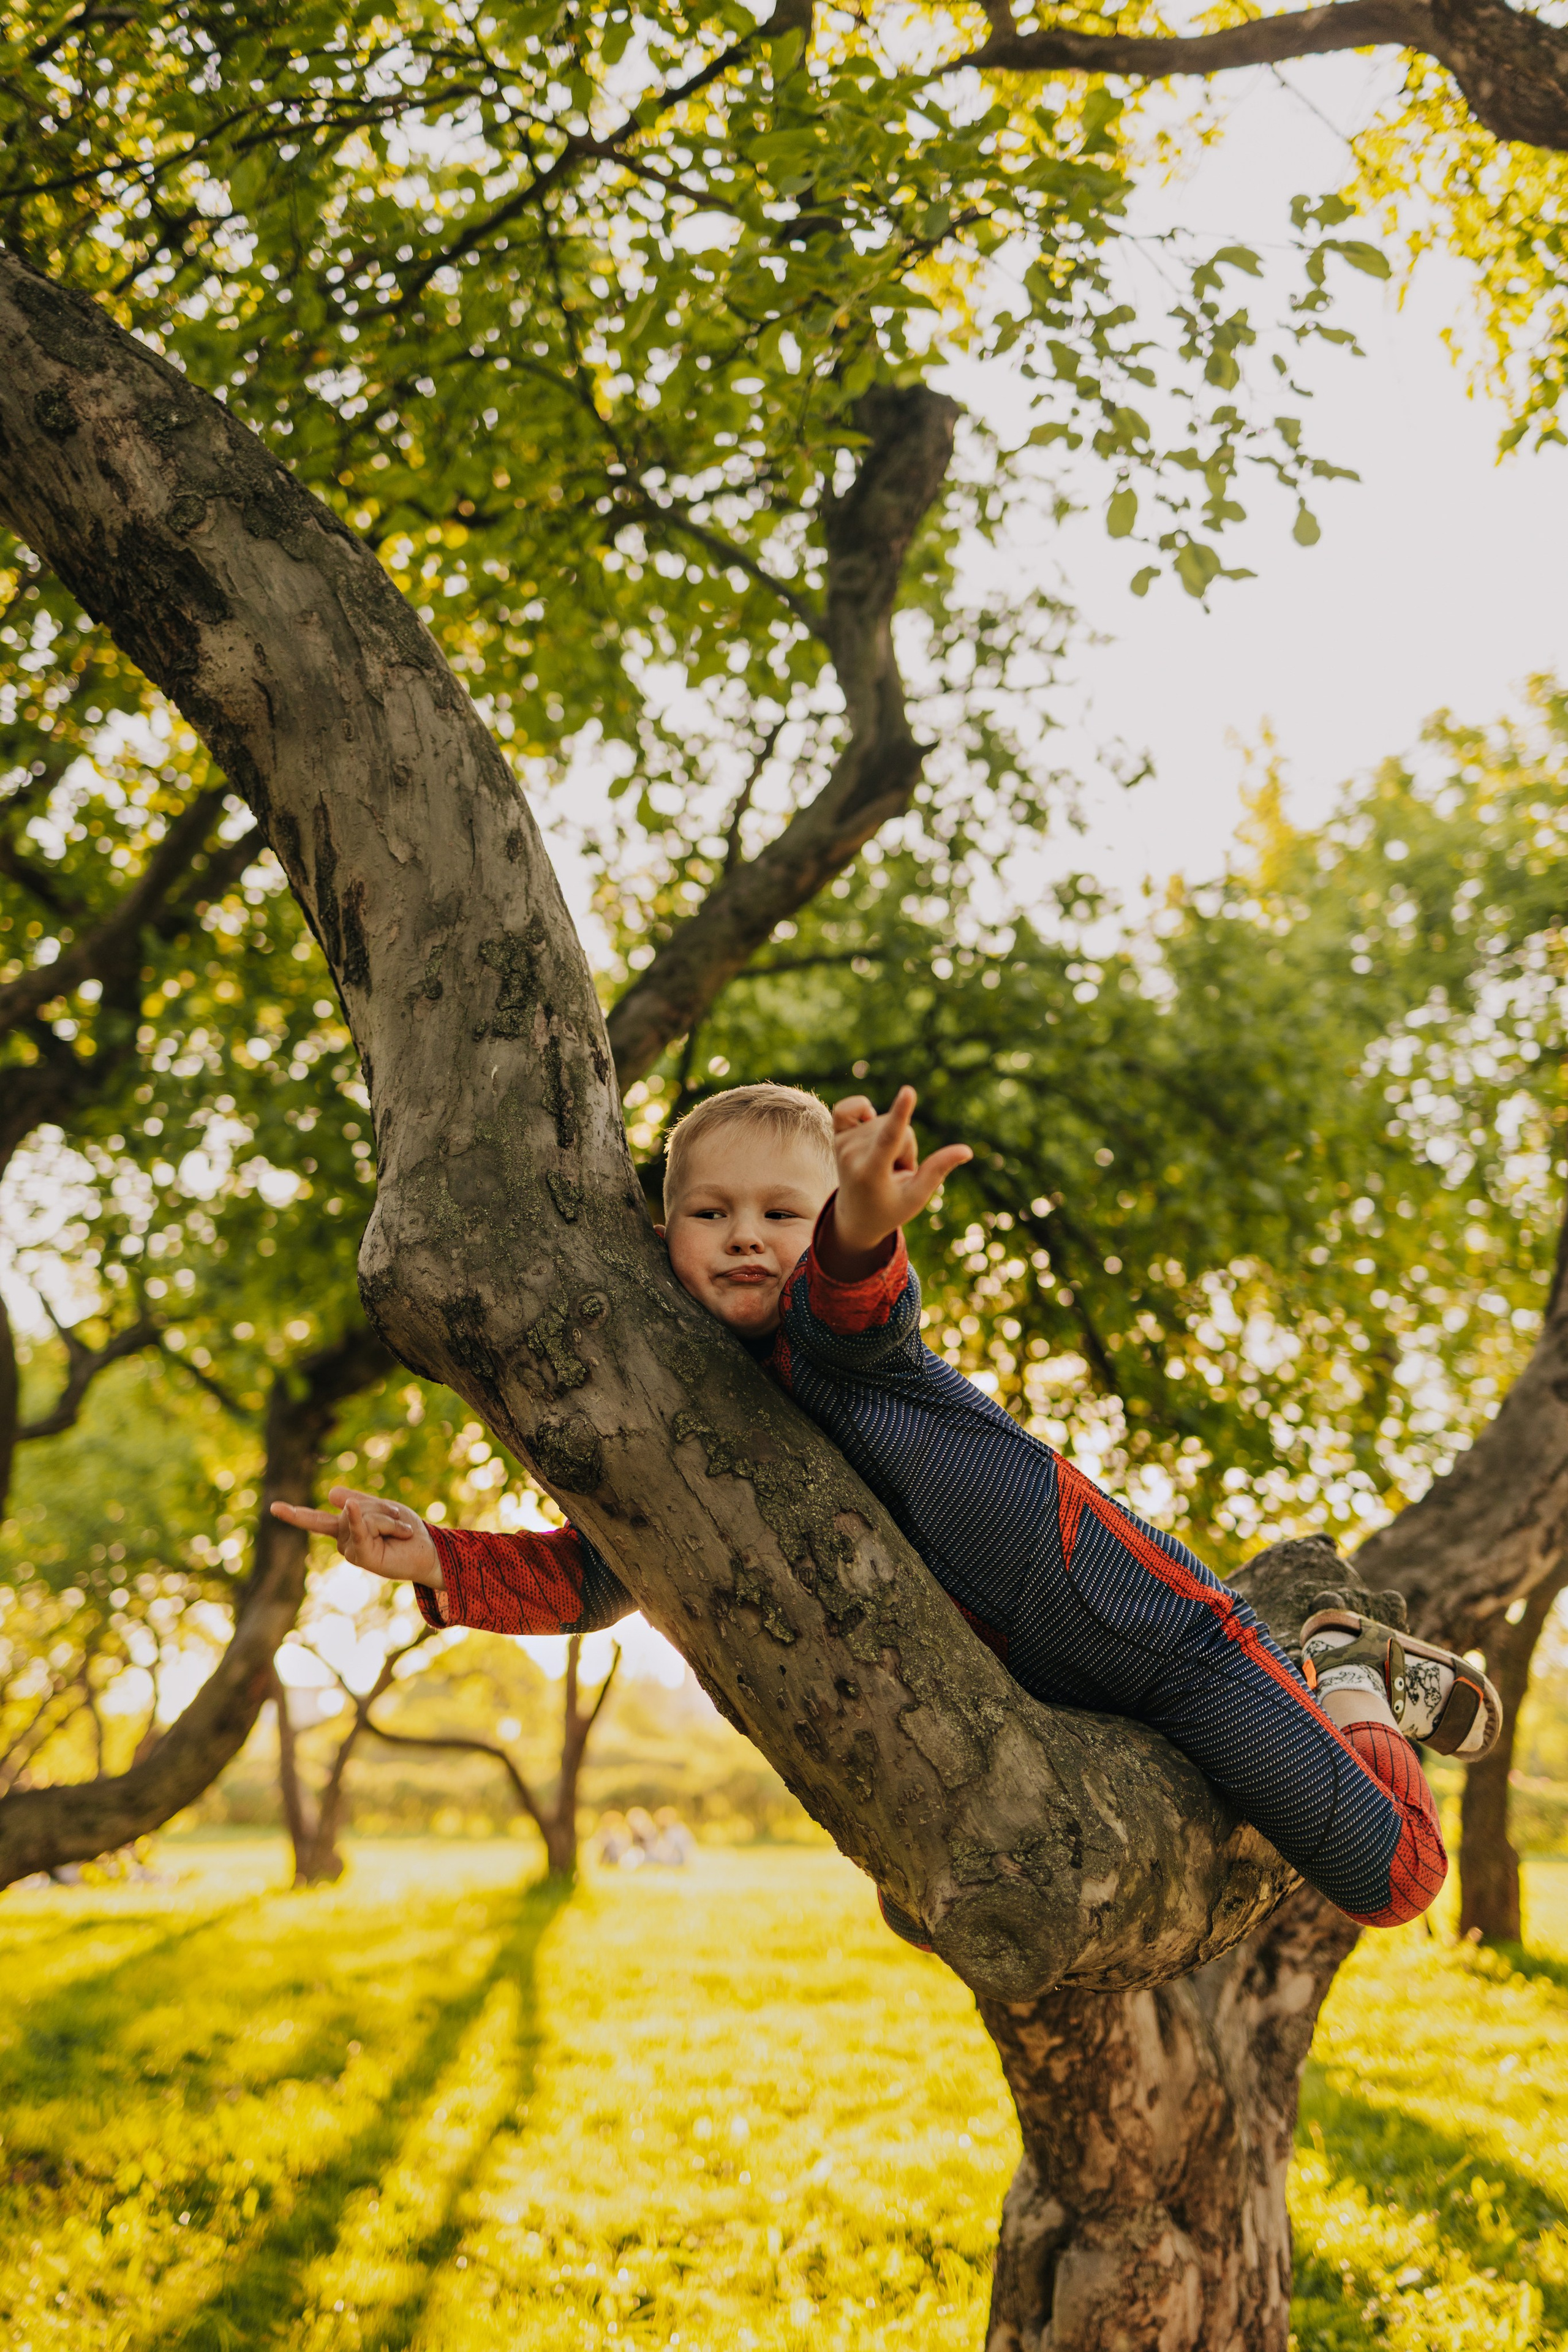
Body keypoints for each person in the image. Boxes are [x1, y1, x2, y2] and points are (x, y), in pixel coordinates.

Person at [274, 1082, 1501, 1937]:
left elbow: (859, 1290)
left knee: (1394, 1875)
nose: (747, 1237)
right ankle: (1311, 1672)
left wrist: (860, 1218)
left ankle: (1335, 1665)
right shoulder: (682, 1422)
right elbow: (605, 1572)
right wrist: (436, 1553)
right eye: (711, 1215)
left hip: (1165, 1642)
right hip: (1043, 1693)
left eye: (783, 1214)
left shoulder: (834, 1347)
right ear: (660, 1239)